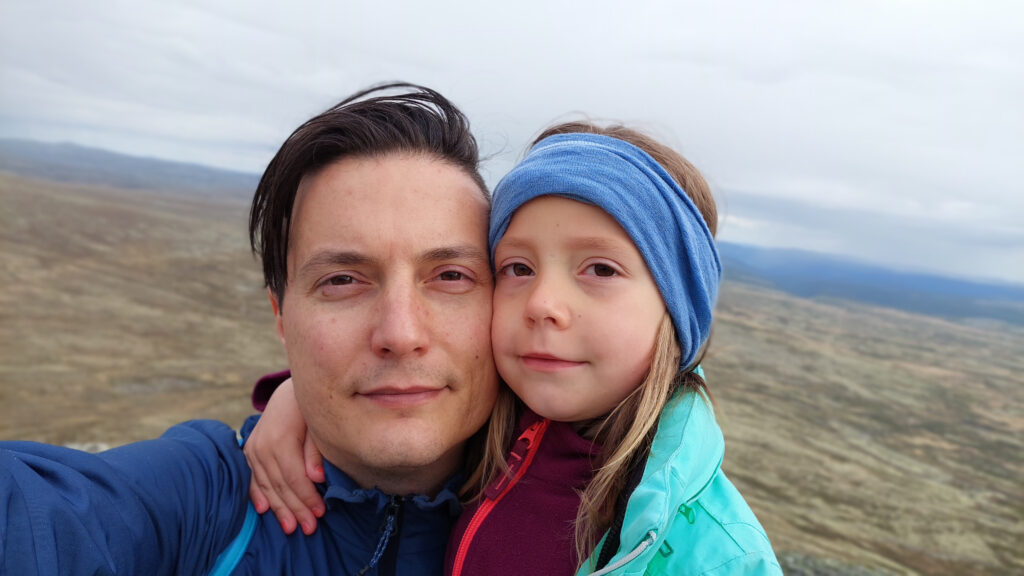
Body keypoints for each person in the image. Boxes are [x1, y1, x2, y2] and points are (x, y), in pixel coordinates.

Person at [0, 82, 499, 575]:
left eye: (451, 276)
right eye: (342, 280)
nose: (400, 332)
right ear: (281, 318)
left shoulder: (576, 514)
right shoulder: (202, 502)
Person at [246, 123, 782, 574]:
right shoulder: (497, 428)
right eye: (518, 268)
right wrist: (298, 401)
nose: (542, 303)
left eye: (599, 269)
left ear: (676, 308)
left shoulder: (715, 553)